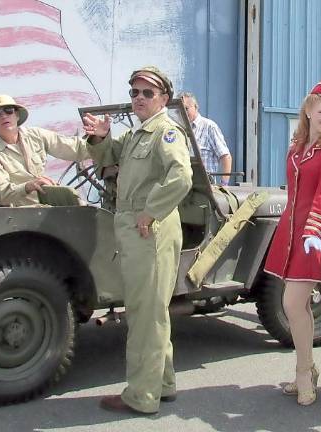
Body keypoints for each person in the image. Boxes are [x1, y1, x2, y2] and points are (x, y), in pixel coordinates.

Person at [81, 66, 192, 414]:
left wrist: (151, 211)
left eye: (147, 93)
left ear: (163, 98)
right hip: (138, 229)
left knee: (145, 314)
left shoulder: (166, 132)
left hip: (150, 230)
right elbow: (108, 155)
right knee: (152, 312)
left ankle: (142, 396)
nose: (139, 98)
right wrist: (99, 138)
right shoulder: (136, 135)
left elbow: (182, 176)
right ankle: (162, 384)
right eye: (134, 93)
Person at [263, 80, 321, 406]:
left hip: (314, 233)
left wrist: (313, 229)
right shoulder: (297, 146)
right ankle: (307, 369)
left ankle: (304, 371)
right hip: (291, 231)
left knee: (292, 303)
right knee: (297, 305)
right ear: (308, 111)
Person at [0, 94, 90, 206]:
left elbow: (76, 149)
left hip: (49, 207)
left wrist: (101, 139)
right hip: (19, 215)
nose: (3, 116)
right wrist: (28, 186)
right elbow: (0, 193)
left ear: (17, 115)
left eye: (9, 110)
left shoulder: (36, 135)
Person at [179, 92, 233, 185]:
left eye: (186, 109)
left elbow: (225, 156)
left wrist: (224, 184)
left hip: (204, 188)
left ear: (196, 107)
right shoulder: (178, 129)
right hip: (183, 187)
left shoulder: (209, 127)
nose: (183, 112)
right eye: (180, 110)